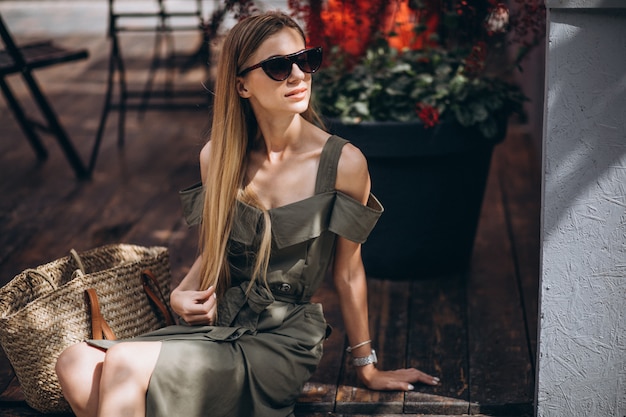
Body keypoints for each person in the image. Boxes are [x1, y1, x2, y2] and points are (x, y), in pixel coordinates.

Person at [55, 10, 439, 417]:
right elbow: (215, 250)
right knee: (74, 364)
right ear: (241, 85)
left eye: (306, 59)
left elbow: (348, 271)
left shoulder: (344, 163)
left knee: (124, 364)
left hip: (282, 339)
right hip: (219, 327)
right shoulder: (217, 158)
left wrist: (368, 367)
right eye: (277, 66)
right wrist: (180, 293)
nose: (297, 75)